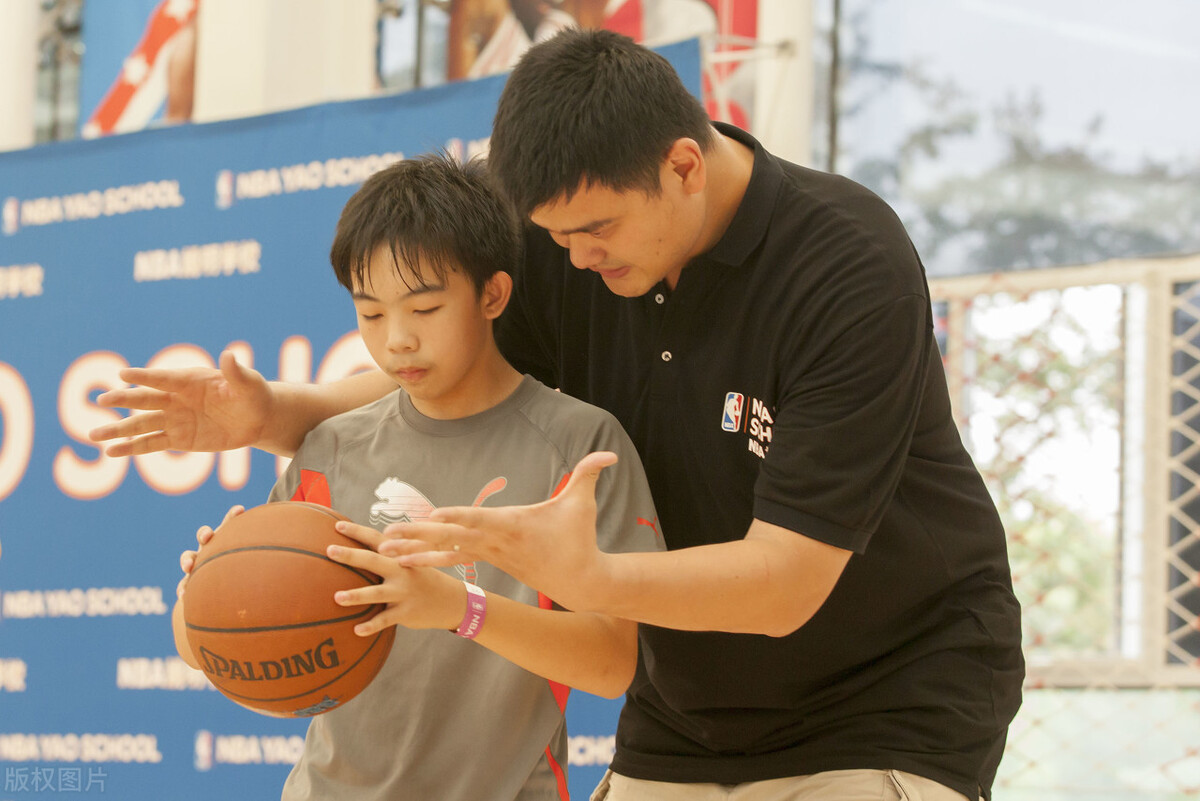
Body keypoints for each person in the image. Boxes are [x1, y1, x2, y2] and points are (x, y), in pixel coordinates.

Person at [92, 30, 1023, 801]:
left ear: (684, 166)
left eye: (596, 231)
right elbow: (444, 365)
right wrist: (278, 411)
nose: (575, 261)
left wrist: (585, 576)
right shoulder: (560, 240)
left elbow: (786, 582)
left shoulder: (844, 266)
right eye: (553, 238)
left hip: (890, 692)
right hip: (686, 709)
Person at [168, 153, 662, 801]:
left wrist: (459, 607)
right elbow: (198, 644)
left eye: (424, 309)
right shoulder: (330, 448)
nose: (396, 339)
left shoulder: (580, 444)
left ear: (493, 293)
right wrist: (211, 590)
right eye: (370, 313)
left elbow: (614, 662)